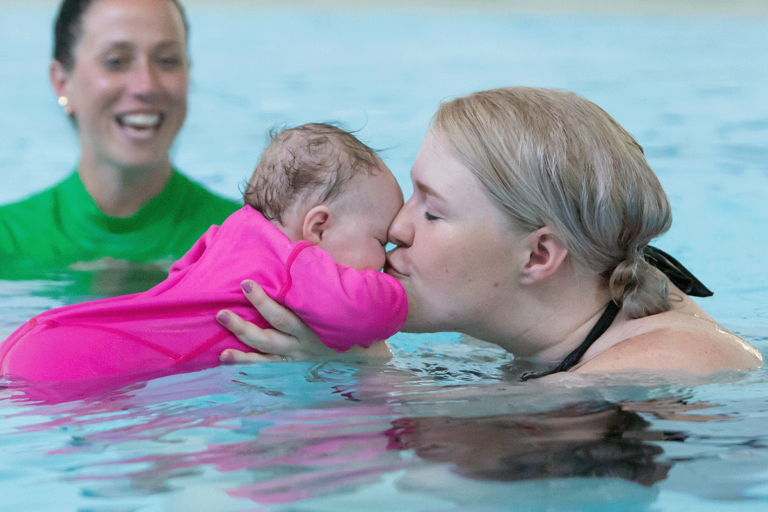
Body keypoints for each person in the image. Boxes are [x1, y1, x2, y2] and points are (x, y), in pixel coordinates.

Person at [218, 87, 762, 377]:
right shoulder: (529, 326)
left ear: (538, 256)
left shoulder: (672, 370)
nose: (396, 228)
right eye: (412, 197)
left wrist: (364, 373)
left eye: (432, 212)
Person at [0, 124, 406, 382]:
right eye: (379, 241)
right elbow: (367, 310)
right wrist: (407, 293)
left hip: (50, 333)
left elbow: (180, 278)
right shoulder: (294, 260)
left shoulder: (229, 232)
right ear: (318, 227)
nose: (385, 260)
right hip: (78, 364)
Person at [0, 0, 240, 273]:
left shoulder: (244, 239)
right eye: (115, 62)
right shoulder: (7, 239)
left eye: (167, 61)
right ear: (62, 83)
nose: (146, 86)